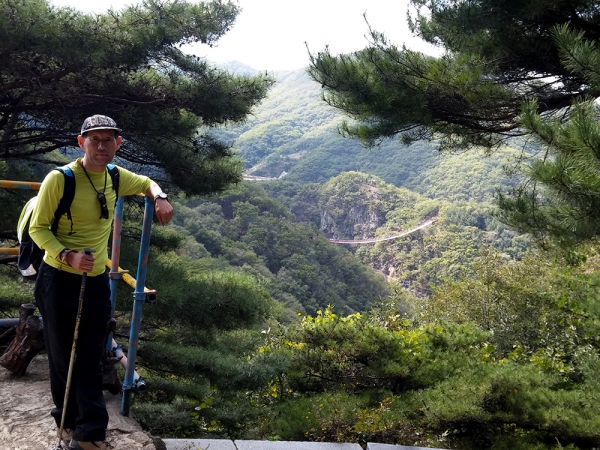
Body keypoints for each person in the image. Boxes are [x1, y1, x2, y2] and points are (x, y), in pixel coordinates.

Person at [30, 115, 174, 450]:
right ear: (81, 143)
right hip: (59, 278)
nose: (101, 145)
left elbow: (145, 182)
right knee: (64, 359)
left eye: (108, 139)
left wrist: (159, 196)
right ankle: (69, 426)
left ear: (117, 144)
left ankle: (89, 435)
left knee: (92, 357)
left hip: (94, 281)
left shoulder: (113, 176)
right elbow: (39, 229)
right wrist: (68, 255)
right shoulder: (60, 180)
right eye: (94, 139)